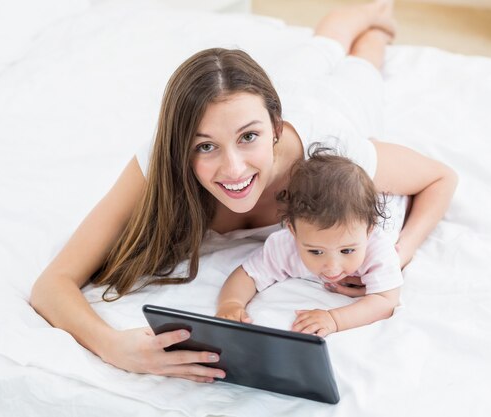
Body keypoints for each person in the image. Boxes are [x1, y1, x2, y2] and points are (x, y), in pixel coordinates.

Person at [30, 0, 457, 383]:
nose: (233, 169)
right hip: (267, 95)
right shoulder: (158, 165)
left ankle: (370, 14)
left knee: (358, 62)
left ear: (273, 128)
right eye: (205, 146)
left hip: (327, 101)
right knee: (312, 53)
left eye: (248, 139)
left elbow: (440, 178)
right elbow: (53, 284)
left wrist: (398, 254)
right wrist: (111, 345)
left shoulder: (332, 158)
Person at [216, 149, 403, 337]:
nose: (332, 267)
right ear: (292, 231)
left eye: (347, 251)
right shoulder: (285, 245)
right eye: (316, 252)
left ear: (368, 231)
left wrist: (335, 319)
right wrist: (231, 303)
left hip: (394, 202)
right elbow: (247, 275)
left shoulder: (377, 248)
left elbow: (385, 301)